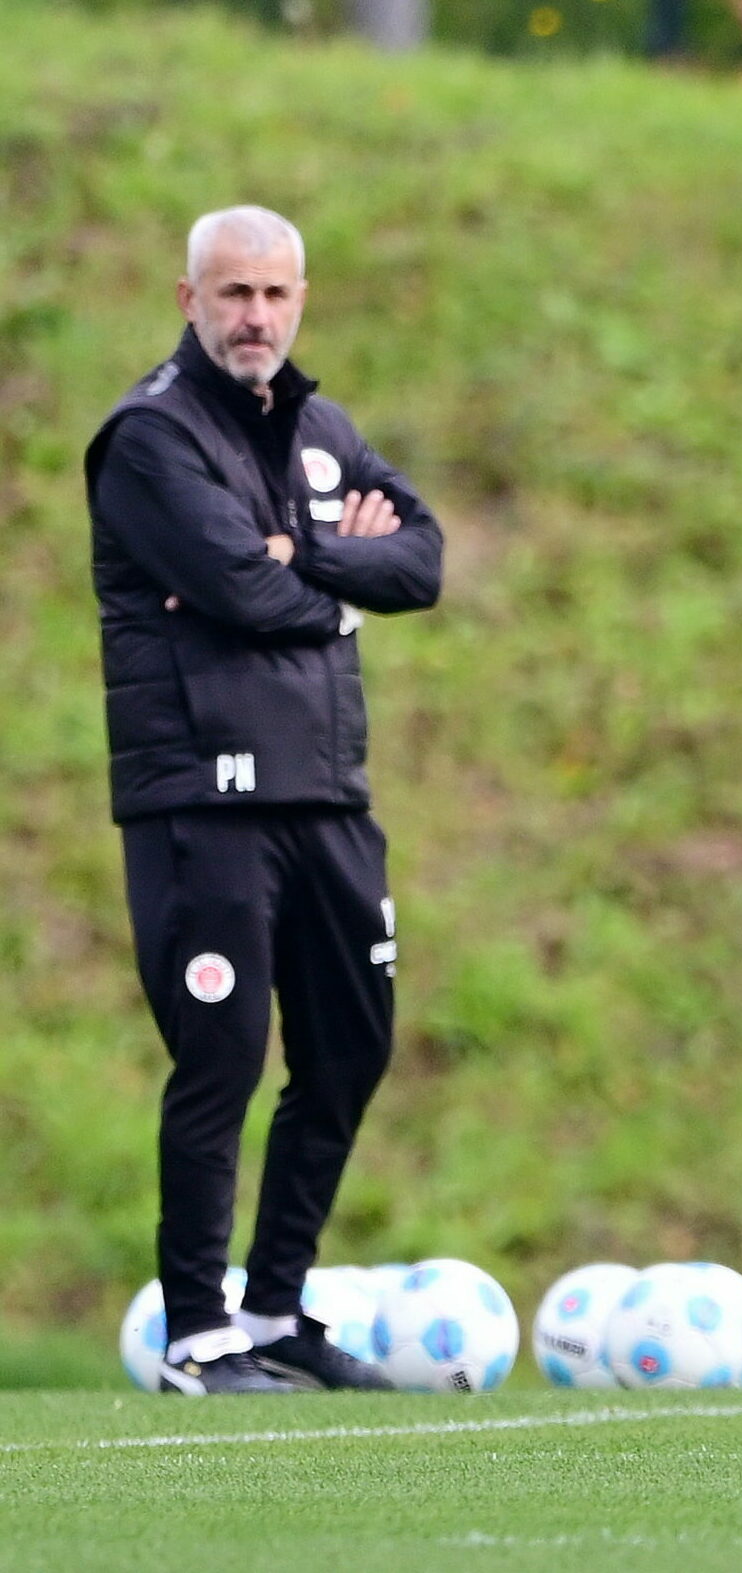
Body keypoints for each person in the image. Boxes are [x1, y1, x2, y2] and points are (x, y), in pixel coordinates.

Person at [85, 206, 443, 1395]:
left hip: (327, 794)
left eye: (276, 295)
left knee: (350, 1047)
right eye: (233, 294)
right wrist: (333, 575)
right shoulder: (148, 435)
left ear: (302, 299)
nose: (256, 317)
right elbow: (238, 588)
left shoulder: (322, 426)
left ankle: (277, 1308)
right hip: (205, 801)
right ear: (188, 299)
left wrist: (303, 556)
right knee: (222, 1055)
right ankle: (197, 1330)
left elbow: (426, 561)